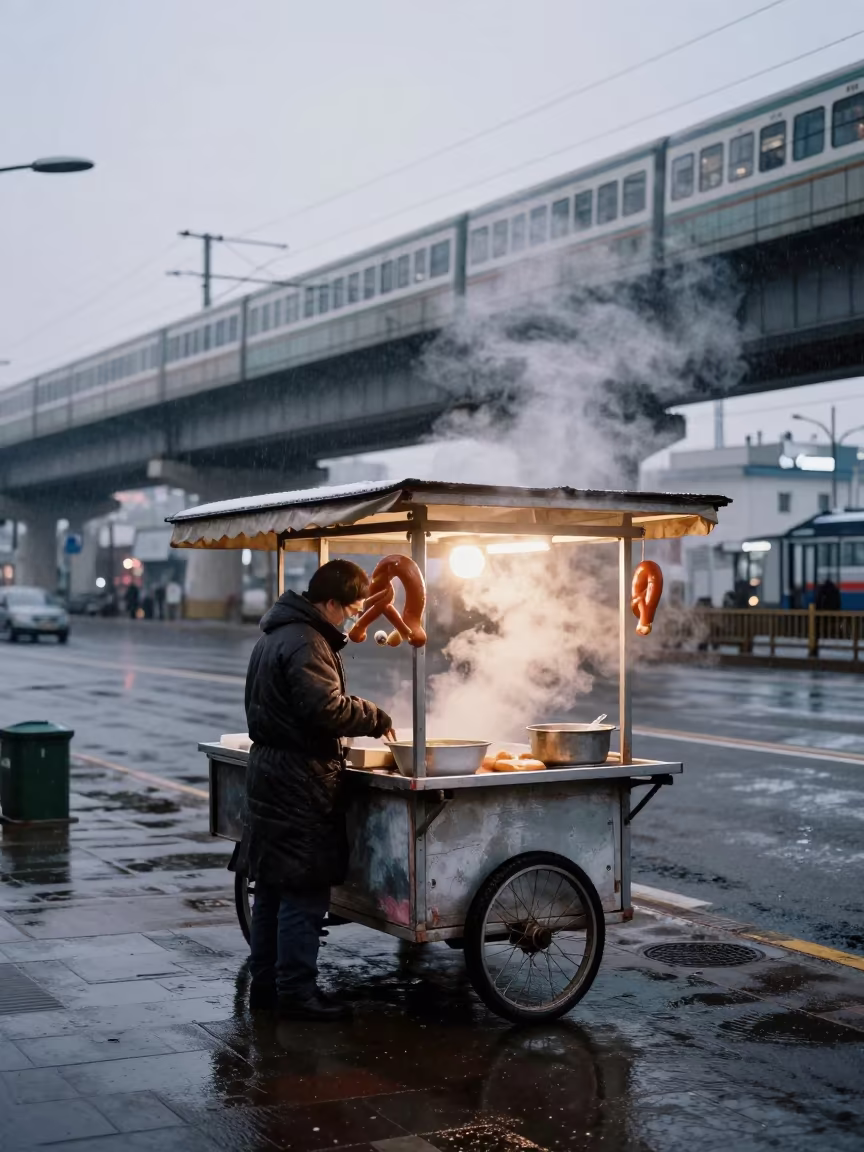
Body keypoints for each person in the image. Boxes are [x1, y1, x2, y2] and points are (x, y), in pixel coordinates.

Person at [238, 559, 395, 1021]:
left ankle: (266, 985)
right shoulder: (306, 640)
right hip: (298, 778)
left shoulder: (275, 635)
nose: (349, 618)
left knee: (271, 889)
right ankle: (298, 994)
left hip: (272, 771)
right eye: (347, 609)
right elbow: (324, 708)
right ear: (328, 603)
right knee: (303, 893)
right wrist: (373, 716)